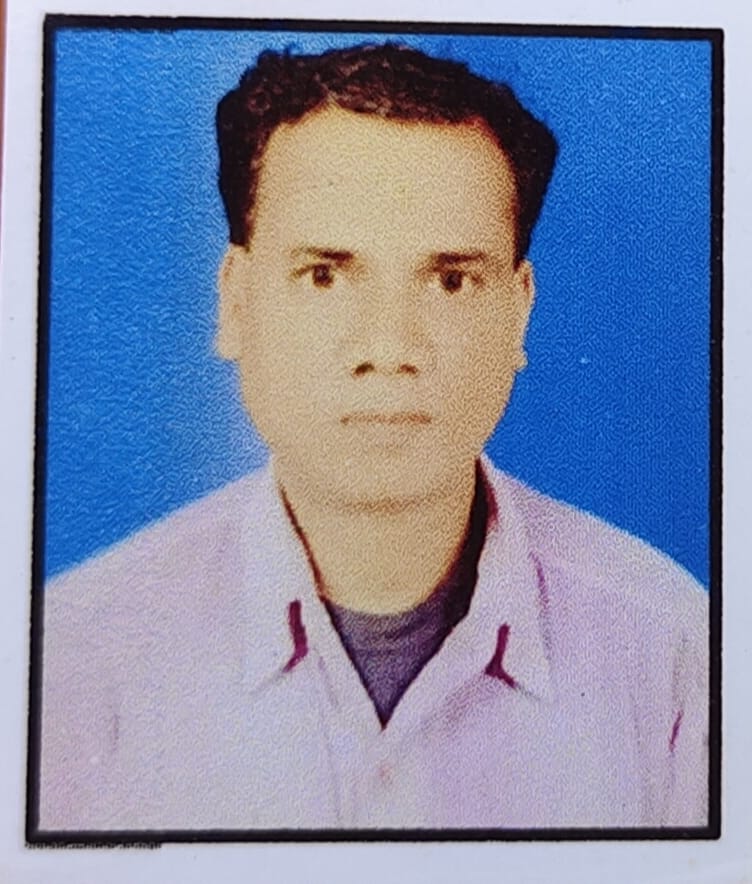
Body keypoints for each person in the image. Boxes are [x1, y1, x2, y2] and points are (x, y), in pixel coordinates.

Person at [37, 43, 708, 832]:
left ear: (519, 311)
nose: (388, 348)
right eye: (324, 275)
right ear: (236, 302)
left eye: (451, 280)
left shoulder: (673, 651)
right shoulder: (69, 662)